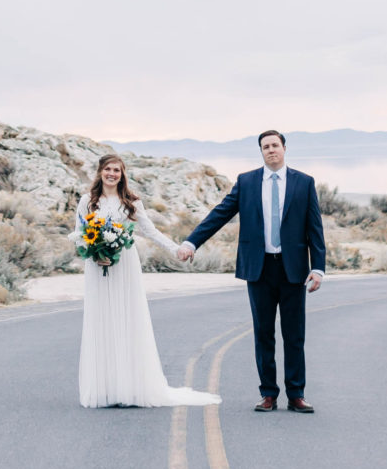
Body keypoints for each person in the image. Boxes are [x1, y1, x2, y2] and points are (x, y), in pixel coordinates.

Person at [177, 129, 325, 412]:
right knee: (263, 333)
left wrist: (318, 267)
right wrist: (191, 241)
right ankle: (268, 393)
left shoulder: (303, 183)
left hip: (293, 269)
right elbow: (220, 214)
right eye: (265, 147)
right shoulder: (246, 181)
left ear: (284, 148)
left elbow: (314, 227)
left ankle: (296, 394)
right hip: (259, 268)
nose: (271, 150)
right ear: (261, 151)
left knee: (294, 335)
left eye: (275, 145)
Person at [71, 153, 220, 409]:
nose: (112, 174)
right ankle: (105, 388)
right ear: (100, 172)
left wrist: (176, 250)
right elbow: (78, 234)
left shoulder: (131, 202)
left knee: (127, 321)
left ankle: (130, 388)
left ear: (122, 174)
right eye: (108, 169)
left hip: (125, 265)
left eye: (117, 170)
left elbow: (150, 231)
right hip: (98, 268)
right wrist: (94, 252)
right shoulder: (87, 201)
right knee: (103, 321)